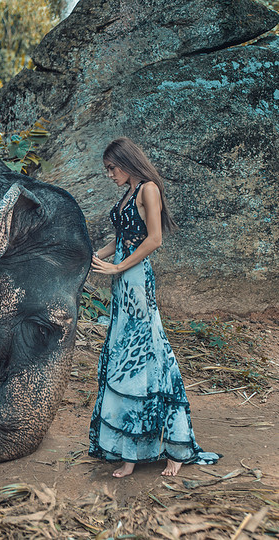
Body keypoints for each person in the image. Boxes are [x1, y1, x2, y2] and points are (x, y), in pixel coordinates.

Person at [89, 137, 220, 478]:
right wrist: (93, 257)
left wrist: (117, 267)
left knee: (148, 356)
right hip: (123, 283)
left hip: (136, 280)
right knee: (124, 357)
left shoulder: (148, 189)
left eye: (111, 168)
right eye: (107, 171)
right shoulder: (128, 194)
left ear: (126, 162)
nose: (110, 175)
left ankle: (175, 446)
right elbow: (121, 238)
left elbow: (154, 238)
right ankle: (131, 450)